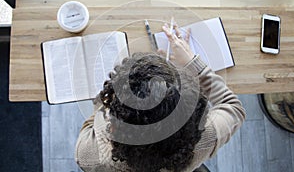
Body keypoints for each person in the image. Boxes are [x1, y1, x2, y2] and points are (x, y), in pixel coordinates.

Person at [75, 21, 246, 172]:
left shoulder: (89, 155)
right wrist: (192, 64)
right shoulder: (205, 139)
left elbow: (89, 125)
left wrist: (102, 103)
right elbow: (234, 107)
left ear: (113, 128)